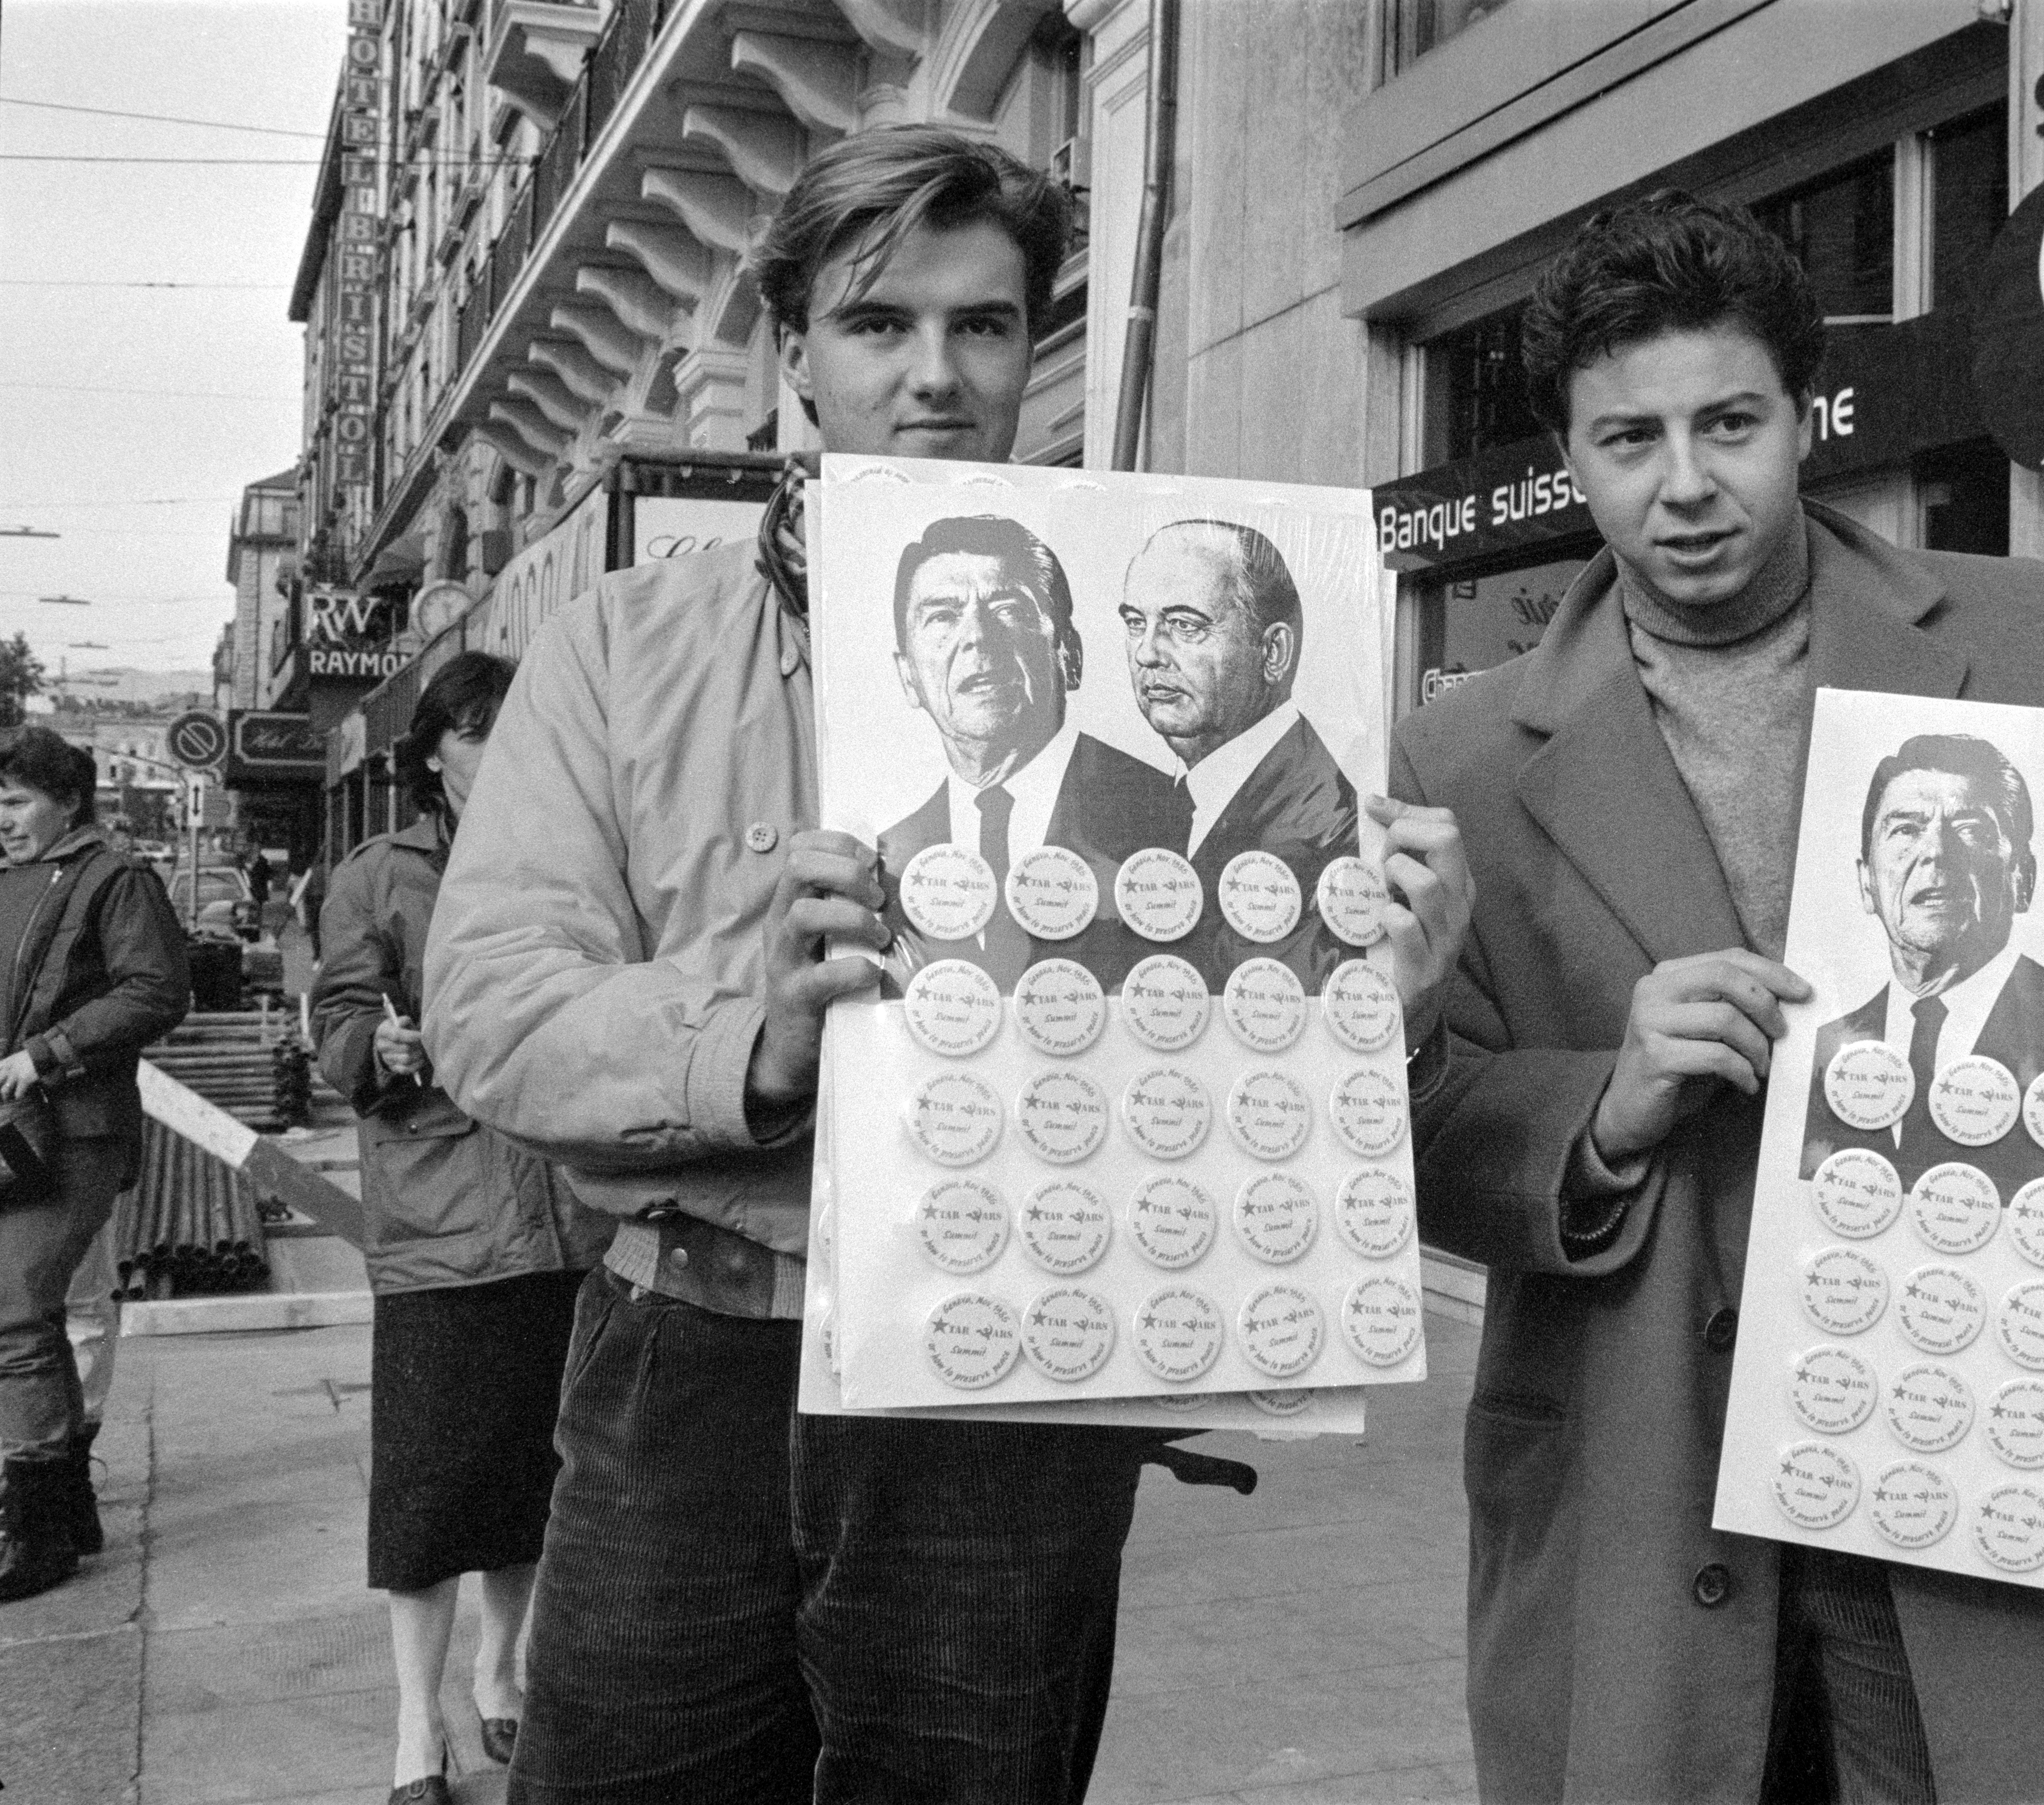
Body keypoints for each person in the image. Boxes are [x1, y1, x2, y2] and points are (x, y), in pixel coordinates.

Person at [423, 126, 1468, 1802]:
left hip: (1017, 1377)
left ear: (1032, 350)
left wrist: (1369, 1000)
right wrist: (757, 1041)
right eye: (876, 323)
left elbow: (1236, 1091)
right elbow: (489, 1005)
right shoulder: (617, 649)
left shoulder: (1165, 702)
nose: (932, 372)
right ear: (793, 355)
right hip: (691, 1353)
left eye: (981, 325)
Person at [1391, 191, 2044, 1805]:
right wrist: (1605, 1104)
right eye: (1630, 439)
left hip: (1957, 1448)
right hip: (1639, 1470)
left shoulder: (2026, 633)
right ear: (1568, 460)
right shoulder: (1460, 751)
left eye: (1730, 423)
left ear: (1807, 417)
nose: (1685, 482)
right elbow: (1416, 1129)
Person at [312, 653, 609, 1802]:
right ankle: (414, 1724)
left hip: (567, 1211)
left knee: (533, 1473)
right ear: (432, 750)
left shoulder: (575, 851)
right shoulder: (378, 874)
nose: (500, 746)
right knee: (429, 1494)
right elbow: (339, 1018)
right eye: (477, 729)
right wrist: (377, 1048)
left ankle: (501, 1671)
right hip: (442, 1221)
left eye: (515, 724)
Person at [0, 727, 191, 1603]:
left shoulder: (115, 879)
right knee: (28, 1310)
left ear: (69, 799)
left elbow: (156, 989)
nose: (2, 820)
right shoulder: (13, 880)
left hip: (71, 1129)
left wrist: (46, 1054)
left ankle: (36, 1530)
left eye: (16, 802)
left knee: (17, 1310)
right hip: (18, 1128)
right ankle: (65, 1511)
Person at [876, 513, 1185, 989]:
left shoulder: (1174, 816)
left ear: (1070, 655)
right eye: (942, 616)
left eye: (1009, 609)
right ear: (908, 677)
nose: (977, 636)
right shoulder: (886, 862)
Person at [1799, 733, 2044, 1193]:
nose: (1937, 852)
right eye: (1905, 830)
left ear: (2024, 880)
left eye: (1971, 830)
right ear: (1867, 884)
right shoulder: (1818, 1052)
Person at [1118, 518, 1357, 986]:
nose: (1147, 653)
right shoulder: (1150, 802)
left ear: (1273, 652)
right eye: (1135, 624)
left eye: (1184, 626)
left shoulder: (1330, 831)